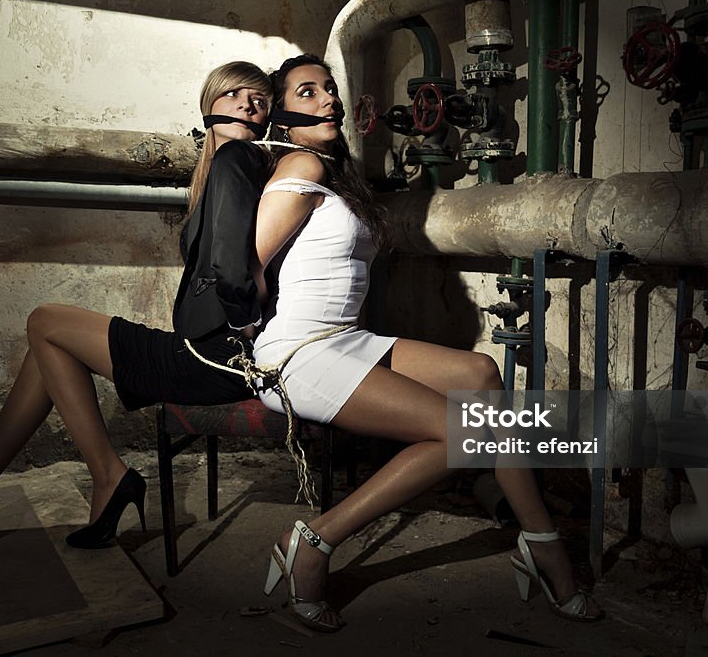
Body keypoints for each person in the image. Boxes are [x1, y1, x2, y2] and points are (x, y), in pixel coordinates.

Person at [252, 54, 603, 632]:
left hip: (346, 339)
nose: (327, 101)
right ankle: (313, 540)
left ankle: (538, 538)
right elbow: (248, 266)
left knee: (482, 374)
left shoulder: (333, 172)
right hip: (299, 352)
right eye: (307, 93)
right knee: (458, 434)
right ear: (283, 116)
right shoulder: (300, 167)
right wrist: (253, 336)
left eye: (329, 89)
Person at [0, 61, 273, 556]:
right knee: (47, 350)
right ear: (209, 105)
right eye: (234, 94)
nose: (247, 104)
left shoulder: (240, 159)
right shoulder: (217, 172)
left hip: (220, 357)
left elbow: (233, 269)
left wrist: (245, 326)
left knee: (45, 321)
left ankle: (102, 477)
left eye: (260, 100)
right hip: (209, 351)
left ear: (268, 119)